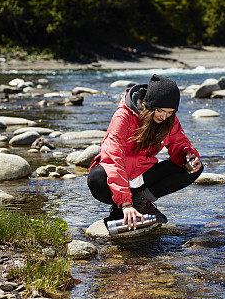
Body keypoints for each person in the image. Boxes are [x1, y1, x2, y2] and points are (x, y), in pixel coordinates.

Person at [87, 74, 203, 231]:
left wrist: (187, 155)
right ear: (149, 105)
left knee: (194, 168)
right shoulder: (124, 116)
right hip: (115, 178)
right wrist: (125, 203)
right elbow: (112, 158)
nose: (165, 116)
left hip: (142, 176)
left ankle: (142, 201)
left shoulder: (169, 119)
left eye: (170, 112)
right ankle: (120, 207)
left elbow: (178, 143)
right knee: (96, 177)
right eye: (161, 111)